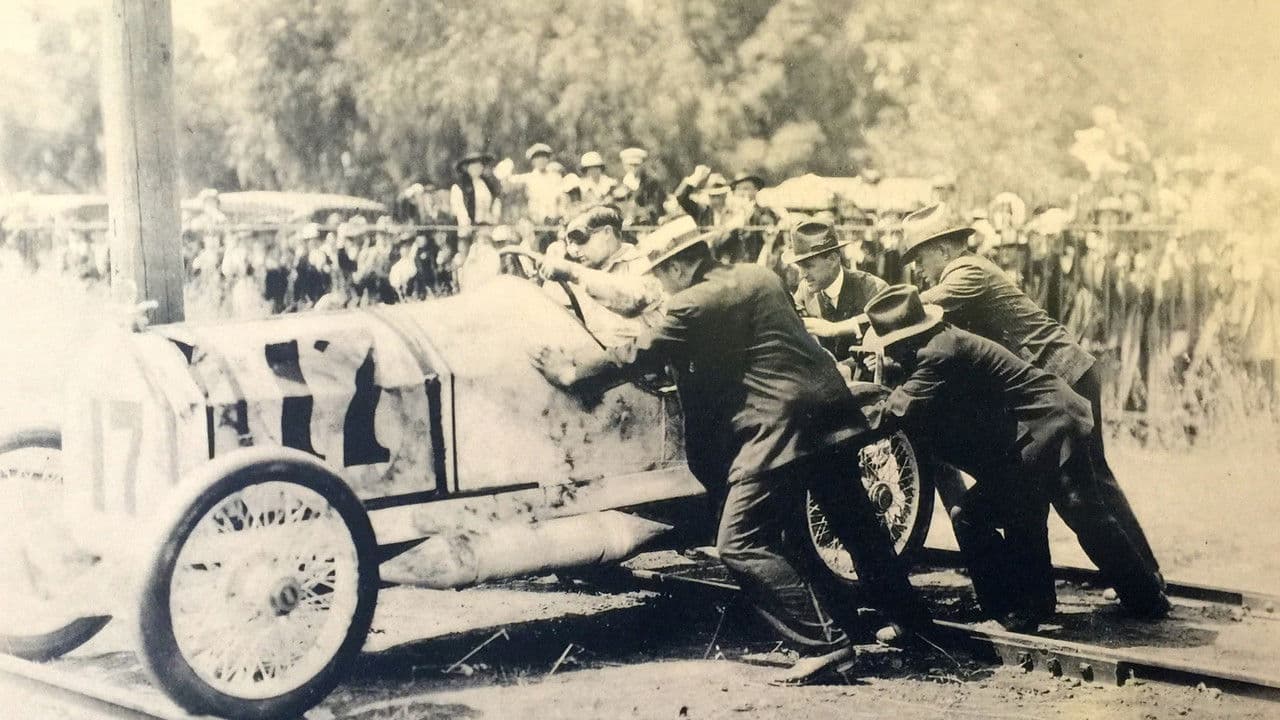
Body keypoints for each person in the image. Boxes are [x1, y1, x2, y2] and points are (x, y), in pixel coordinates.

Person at [530, 216, 931, 685]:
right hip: (829, 413)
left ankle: (825, 645)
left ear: (678, 267)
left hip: (781, 428)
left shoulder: (693, 303)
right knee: (855, 522)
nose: (660, 283)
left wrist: (573, 372)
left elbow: (639, 353)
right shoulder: (759, 277)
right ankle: (912, 623)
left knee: (740, 542)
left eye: (661, 273)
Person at [857, 284, 1170, 630]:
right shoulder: (941, 342)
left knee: (1055, 513)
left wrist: (848, 414)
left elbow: (898, 410)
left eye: (891, 345)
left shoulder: (938, 353)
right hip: (1038, 429)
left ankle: (1024, 608)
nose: (890, 352)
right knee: (1053, 513)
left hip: (1047, 425)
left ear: (905, 339)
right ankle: (1053, 603)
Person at [900, 203, 1164, 603]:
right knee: (1086, 487)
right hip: (1056, 381)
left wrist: (842, 326)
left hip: (1064, 376)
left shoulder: (966, 273)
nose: (919, 269)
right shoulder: (968, 269)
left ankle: (1144, 583)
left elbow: (913, 312)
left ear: (942, 248)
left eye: (920, 258)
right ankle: (1143, 578)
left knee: (1081, 492)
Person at [538, 206, 665, 348]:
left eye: (580, 238)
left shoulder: (645, 263)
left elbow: (635, 298)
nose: (574, 250)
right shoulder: (587, 272)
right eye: (570, 243)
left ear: (607, 232)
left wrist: (572, 272)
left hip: (637, 357)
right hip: (596, 357)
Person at [784, 220, 887, 362]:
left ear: (833, 259)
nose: (802, 274)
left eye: (808, 266)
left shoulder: (872, 288)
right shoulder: (804, 291)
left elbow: (889, 319)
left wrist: (835, 328)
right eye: (799, 267)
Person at [502, 143, 564, 230]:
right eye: (537, 158)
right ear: (533, 161)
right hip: (536, 224)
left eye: (544, 157)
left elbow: (562, 199)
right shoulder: (529, 178)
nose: (541, 160)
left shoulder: (556, 177)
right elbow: (508, 184)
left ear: (548, 159)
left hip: (555, 222)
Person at [450, 149, 503, 237]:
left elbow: (496, 200)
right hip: (470, 229)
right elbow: (459, 210)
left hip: (488, 227)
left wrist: (494, 217)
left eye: (479, 165)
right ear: (466, 168)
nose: (477, 168)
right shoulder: (459, 187)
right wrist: (467, 225)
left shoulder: (488, 184)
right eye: (473, 165)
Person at [614, 147, 667, 228]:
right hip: (629, 224)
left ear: (642, 165)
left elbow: (657, 204)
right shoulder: (625, 182)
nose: (633, 168)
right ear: (624, 166)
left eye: (636, 165)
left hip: (650, 221)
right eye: (629, 165)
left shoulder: (651, 182)